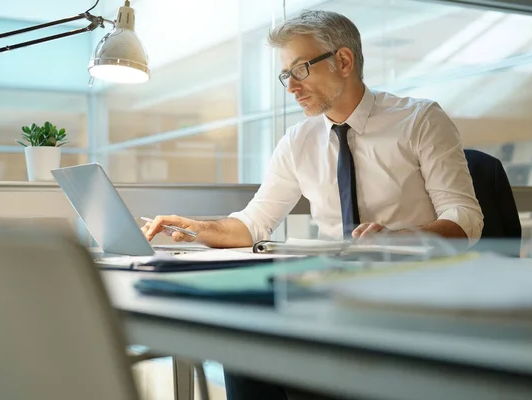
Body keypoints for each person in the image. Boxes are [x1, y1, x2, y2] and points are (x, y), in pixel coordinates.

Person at [142, 9, 484, 400]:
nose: (291, 87)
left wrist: (402, 239)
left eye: (300, 70)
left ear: (343, 61)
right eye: (286, 75)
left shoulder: (420, 120)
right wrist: (194, 228)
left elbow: (465, 219)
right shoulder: (298, 141)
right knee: (243, 342)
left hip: (411, 295)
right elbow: (254, 223)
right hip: (330, 295)